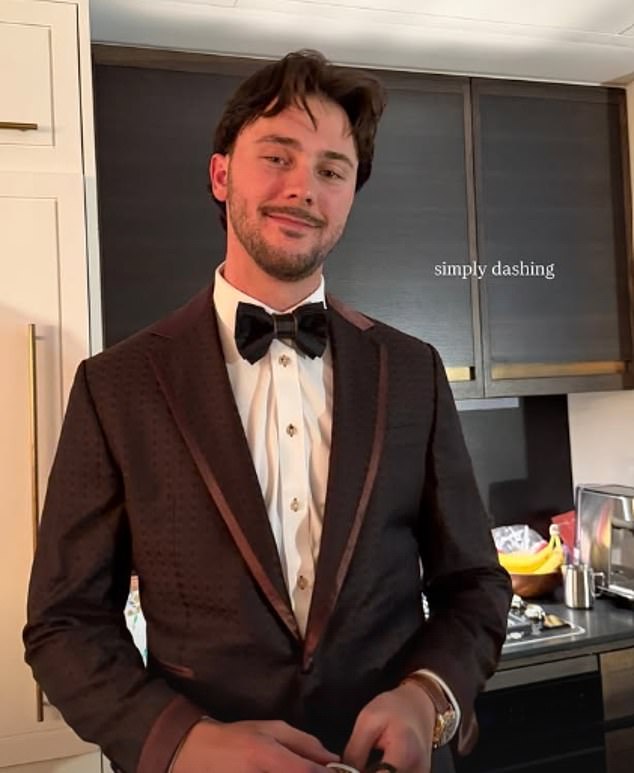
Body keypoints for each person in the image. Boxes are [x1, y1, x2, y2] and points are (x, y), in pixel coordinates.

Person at [23, 50, 512, 773]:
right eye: (276, 155)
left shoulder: (413, 372)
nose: (301, 188)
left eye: (331, 170)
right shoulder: (117, 385)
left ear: (350, 196)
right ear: (221, 174)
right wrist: (181, 740)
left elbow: (474, 584)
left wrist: (428, 694)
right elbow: (64, 623)